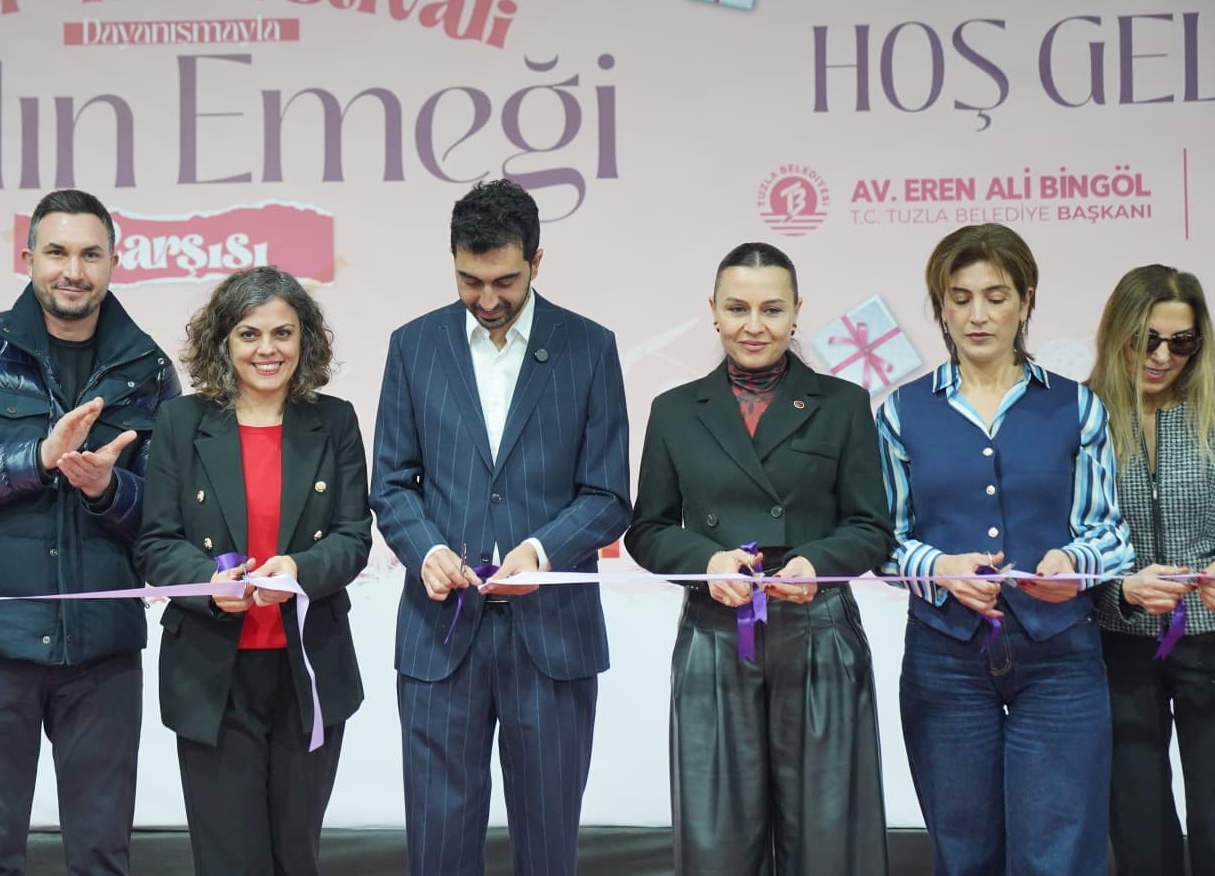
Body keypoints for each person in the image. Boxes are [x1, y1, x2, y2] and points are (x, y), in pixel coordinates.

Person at [0, 189, 180, 875]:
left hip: (103, 653)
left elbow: (168, 518)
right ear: (26, 258)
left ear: (115, 262)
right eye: (56, 252)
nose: (73, 271)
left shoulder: (148, 368)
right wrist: (35, 458)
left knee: (103, 858)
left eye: (90, 254)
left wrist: (108, 489)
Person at [370, 178, 631, 876]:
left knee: (548, 847)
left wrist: (541, 550)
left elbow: (609, 496)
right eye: (470, 280)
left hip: (552, 637)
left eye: (505, 281)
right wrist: (426, 549)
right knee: (437, 848)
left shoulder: (589, 347)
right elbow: (391, 484)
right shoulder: (413, 346)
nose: (487, 298)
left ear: (537, 261)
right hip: (439, 633)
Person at [624, 241, 891, 875]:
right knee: (717, 841)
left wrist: (817, 562)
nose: (754, 325)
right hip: (715, 633)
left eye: (772, 309)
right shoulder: (675, 410)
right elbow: (647, 530)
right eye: (737, 308)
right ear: (713, 311)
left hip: (819, 630)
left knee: (830, 840)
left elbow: (871, 528)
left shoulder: (843, 403)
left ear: (796, 312)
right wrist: (707, 562)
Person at [877, 223, 1134, 876]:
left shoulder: (1077, 406)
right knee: (964, 853)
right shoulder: (901, 412)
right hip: (945, 658)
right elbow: (881, 537)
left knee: (1060, 854)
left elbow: (1110, 533)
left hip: (1060, 657)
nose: (978, 315)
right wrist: (936, 568)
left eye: (996, 297)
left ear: (1026, 302)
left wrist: (1074, 564)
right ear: (941, 307)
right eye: (960, 298)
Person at [135, 266, 371, 875]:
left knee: (296, 856)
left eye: (282, 333)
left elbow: (353, 538)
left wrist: (299, 569)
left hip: (308, 671)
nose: (268, 349)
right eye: (249, 333)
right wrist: (209, 586)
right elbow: (155, 543)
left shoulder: (335, 421)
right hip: (212, 676)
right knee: (229, 861)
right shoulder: (180, 422)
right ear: (223, 342)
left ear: (304, 339)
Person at [1086, 264, 1215, 876]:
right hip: (1119, 649)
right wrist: (1120, 591)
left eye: (1181, 342)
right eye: (1147, 340)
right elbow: (1064, 542)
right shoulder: (1081, 418)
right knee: (1139, 830)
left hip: (1210, 643)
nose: (1164, 357)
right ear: (1119, 333)